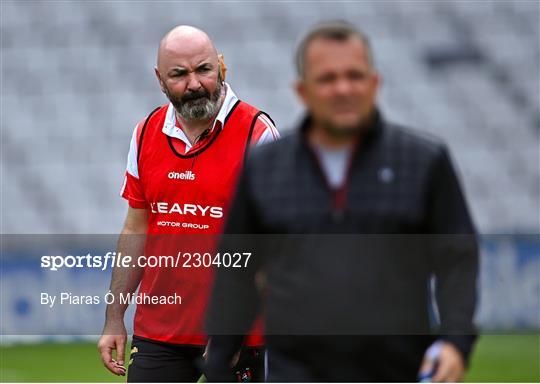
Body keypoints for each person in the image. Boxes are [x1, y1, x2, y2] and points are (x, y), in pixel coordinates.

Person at [205, 21, 478, 382]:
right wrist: (220, 357)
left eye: (354, 75)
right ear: (302, 91)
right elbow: (236, 270)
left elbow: (456, 257)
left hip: (394, 370)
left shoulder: (423, 161)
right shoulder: (265, 167)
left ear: (374, 83)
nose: (343, 89)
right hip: (296, 370)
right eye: (327, 79)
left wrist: (455, 341)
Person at [97, 25, 278, 382]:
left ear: (222, 66)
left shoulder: (258, 134)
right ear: (160, 79)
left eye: (204, 69)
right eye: (179, 74)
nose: (194, 84)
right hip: (159, 332)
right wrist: (115, 315)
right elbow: (136, 228)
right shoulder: (146, 131)